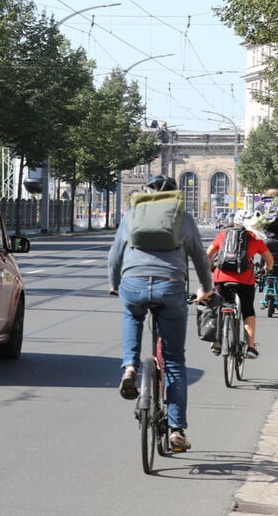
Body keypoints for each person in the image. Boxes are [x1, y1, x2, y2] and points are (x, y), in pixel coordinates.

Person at [107, 175, 214, 450]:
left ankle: (130, 367)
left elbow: (115, 254)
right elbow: (200, 257)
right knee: (175, 360)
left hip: (134, 283)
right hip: (171, 286)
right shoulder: (183, 218)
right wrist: (206, 287)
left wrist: (114, 284)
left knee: (132, 313)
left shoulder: (132, 214)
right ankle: (177, 431)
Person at [206, 210, 275, 358]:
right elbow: (269, 260)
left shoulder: (223, 234)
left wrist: (212, 267)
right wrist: (266, 270)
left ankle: (217, 338)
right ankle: (250, 348)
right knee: (248, 310)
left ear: (234, 222)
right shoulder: (255, 238)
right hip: (245, 279)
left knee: (220, 305)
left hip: (221, 277)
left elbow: (208, 254)